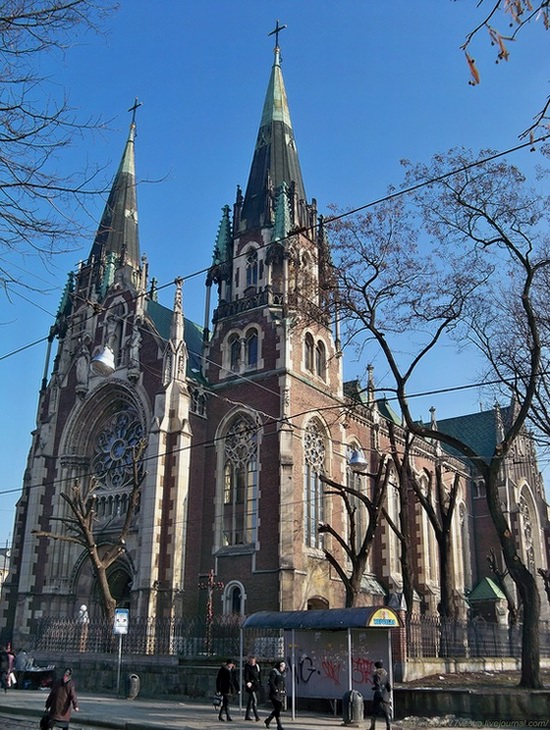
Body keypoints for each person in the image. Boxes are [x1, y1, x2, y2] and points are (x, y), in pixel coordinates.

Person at [369, 660, 392, 730]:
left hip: (378, 695)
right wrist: (388, 693)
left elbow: (378, 685)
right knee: (386, 712)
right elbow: (388, 685)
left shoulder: (376, 675)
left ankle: (372, 727)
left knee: (374, 711)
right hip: (385, 694)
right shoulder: (385, 674)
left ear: (376, 667)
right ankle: (389, 727)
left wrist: (377, 691)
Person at [264, 660, 286, 730]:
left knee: (278, 708)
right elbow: (271, 681)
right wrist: (275, 689)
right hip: (274, 694)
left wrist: (284, 690)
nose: (283, 668)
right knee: (278, 707)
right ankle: (279, 725)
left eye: (284, 666)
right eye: (282, 666)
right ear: (279, 665)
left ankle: (268, 720)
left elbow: (283, 683)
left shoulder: (282, 673)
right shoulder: (274, 672)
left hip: (280, 693)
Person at [244, 655, 261, 721]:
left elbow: (259, 675)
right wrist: (248, 682)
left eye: (253, 660)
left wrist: (259, 683)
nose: (252, 662)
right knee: (254, 700)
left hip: (256, 685)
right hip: (250, 685)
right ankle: (257, 716)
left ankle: (247, 716)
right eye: (251, 661)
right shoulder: (247, 667)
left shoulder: (257, 666)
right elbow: (246, 676)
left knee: (250, 701)